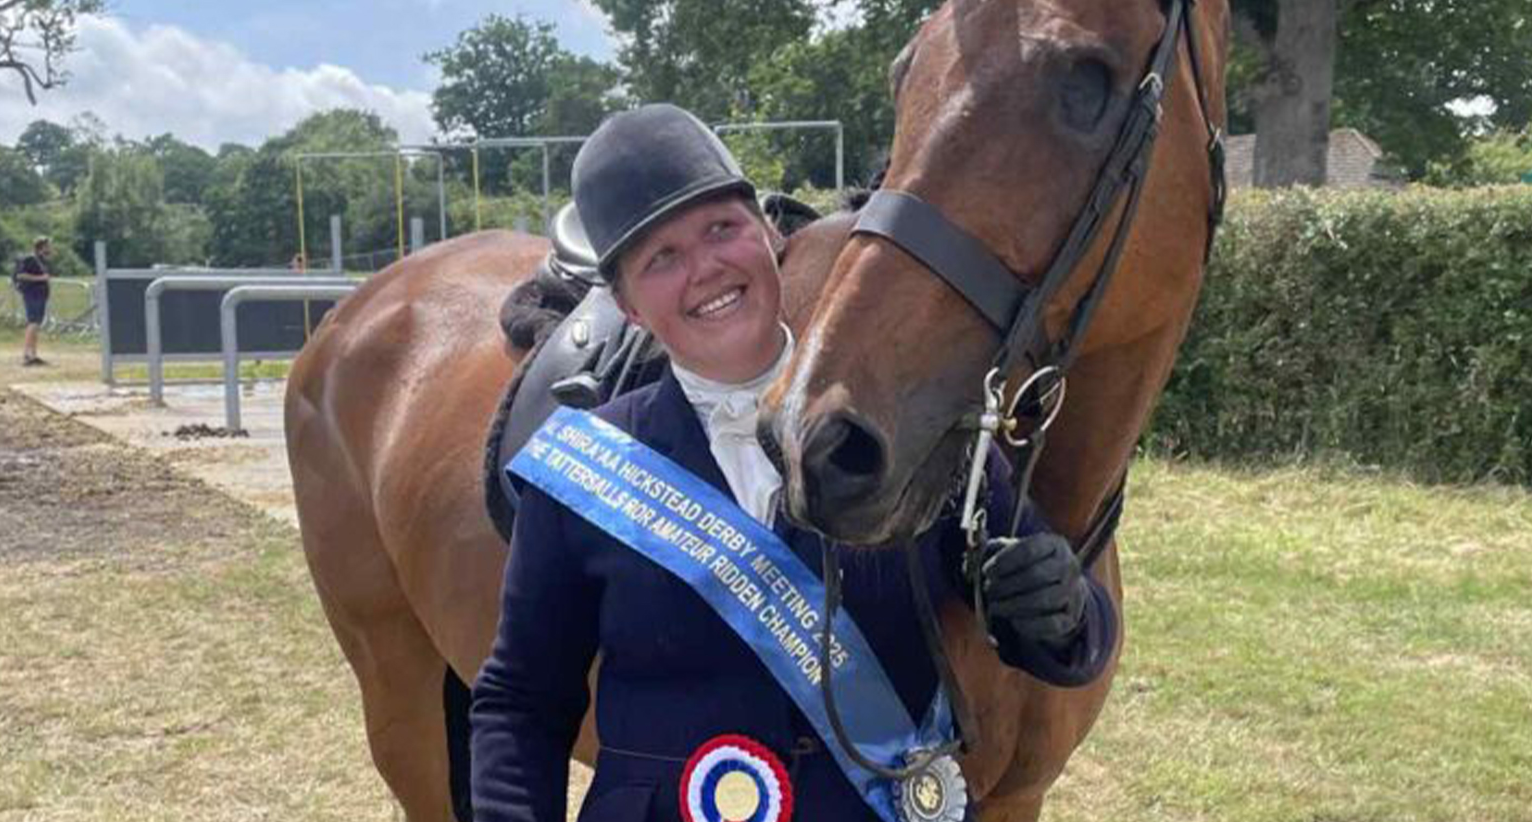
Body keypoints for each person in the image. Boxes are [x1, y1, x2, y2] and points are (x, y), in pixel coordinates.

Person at [471, 104, 1116, 822]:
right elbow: (522, 700)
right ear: (625, 306)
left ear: (768, 233)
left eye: (722, 228)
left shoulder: (916, 426)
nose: (705, 268)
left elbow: (1066, 640)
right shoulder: (585, 469)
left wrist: (1058, 607)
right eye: (661, 258)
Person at [14, 236, 53, 366]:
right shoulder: (29, 259)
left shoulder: (42, 260)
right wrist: (41, 278)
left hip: (41, 296)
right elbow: (20, 275)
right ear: (41, 247)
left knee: (36, 325)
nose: (50, 248)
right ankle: (26, 355)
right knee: (33, 323)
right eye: (48, 245)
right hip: (32, 295)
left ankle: (33, 354)